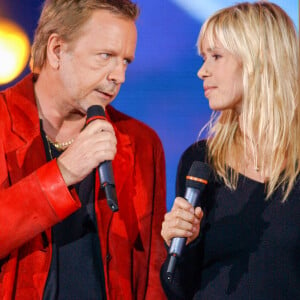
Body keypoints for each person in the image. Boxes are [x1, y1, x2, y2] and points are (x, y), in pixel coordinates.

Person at [0, 0, 167, 299]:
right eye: (106, 56)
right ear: (57, 50)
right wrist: (63, 174)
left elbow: (150, 276)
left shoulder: (141, 143)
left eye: (125, 61)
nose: (119, 76)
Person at [160, 1, 299, 299]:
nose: (201, 72)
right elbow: (178, 288)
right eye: (203, 57)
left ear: (258, 59)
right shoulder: (200, 162)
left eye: (216, 56)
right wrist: (183, 243)